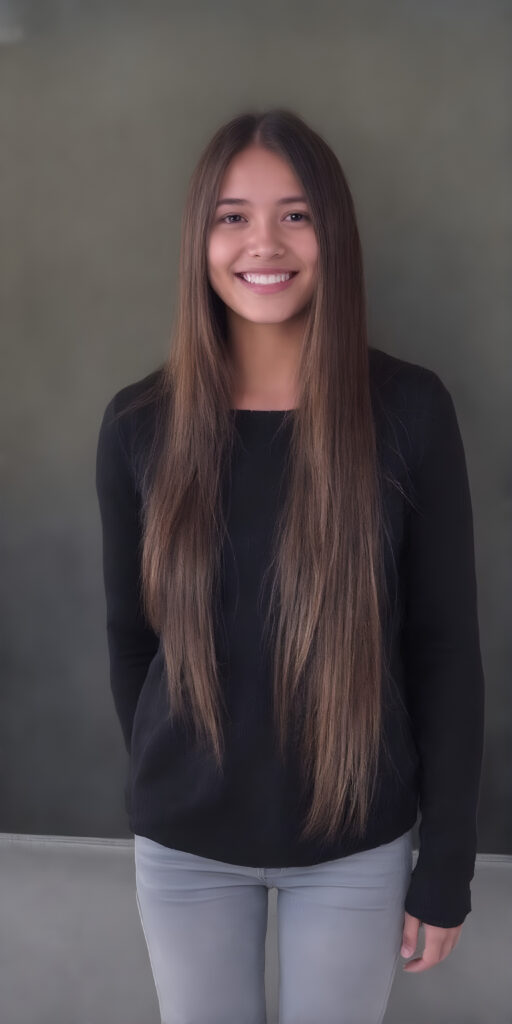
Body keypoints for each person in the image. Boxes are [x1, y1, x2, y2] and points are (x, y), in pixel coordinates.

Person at [95, 109, 485, 1024]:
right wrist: (179, 770)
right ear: (200, 238)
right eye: (232, 216)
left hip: (355, 846)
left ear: (334, 233)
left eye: (295, 214)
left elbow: (444, 651)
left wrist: (450, 861)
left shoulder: (410, 411)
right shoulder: (137, 424)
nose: (262, 243)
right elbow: (129, 637)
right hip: (184, 851)